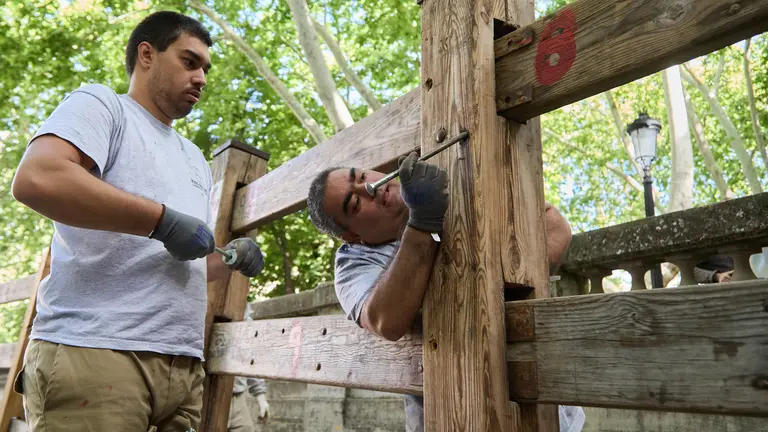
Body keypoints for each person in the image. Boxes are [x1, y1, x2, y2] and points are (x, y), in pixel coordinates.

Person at [11, 11, 265, 432]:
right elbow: (37, 179)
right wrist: (162, 221)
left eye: (205, 68)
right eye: (189, 61)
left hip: (183, 369)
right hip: (97, 353)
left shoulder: (195, 161)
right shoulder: (102, 106)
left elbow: (180, 265)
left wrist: (230, 261)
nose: (202, 77)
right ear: (146, 54)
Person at [307, 153, 585, 432]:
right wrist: (423, 222)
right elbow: (384, 320)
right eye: (356, 203)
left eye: (363, 177)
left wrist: (497, 284)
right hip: (450, 417)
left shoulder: (449, 184)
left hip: (546, 410)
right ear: (352, 236)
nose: (370, 189)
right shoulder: (353, 264)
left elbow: (554, 225)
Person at [228, 304, 270, 431]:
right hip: (208, 394)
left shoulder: (248, 321)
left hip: (237, 397)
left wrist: (261, 399)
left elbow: (252, 361)